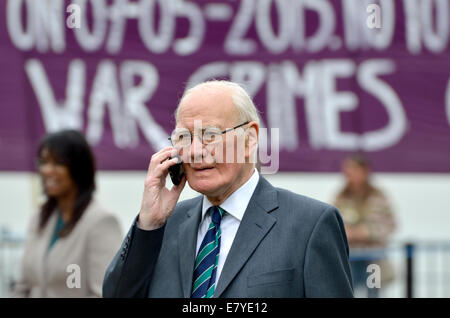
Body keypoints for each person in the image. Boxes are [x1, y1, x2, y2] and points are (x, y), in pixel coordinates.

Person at [103, 80, 353, 298]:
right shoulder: (162, 227)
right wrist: (148, 225)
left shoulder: (310, 225)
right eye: (184, 138)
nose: (195, 151)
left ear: (250, 138)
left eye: (209, 135)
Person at [11, 130, 122, 297]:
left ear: (79, 167)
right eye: (43, 162)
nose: (47, 170)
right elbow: (23, 287)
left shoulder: (101, 222)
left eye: (57, 163)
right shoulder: (39, 218)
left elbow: (104, 293)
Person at [333, 154, 396, 298]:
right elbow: (331, 224)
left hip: (373, 258)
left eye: (355, 171)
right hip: (350, 258)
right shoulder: (340, 197)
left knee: (373, 293)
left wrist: (369, 232)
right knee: (347, 291)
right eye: (348, 172)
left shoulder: (379, 196)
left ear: (365, 172)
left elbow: (391, 224)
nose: (351, 176)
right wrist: (346, 233)